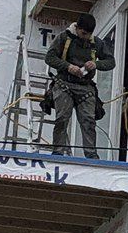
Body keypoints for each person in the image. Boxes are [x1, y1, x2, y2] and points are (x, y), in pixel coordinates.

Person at [44, 14, 114, 159]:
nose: (85, 37)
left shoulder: (96, 43)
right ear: (77, 28)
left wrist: (96, 64)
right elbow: (49, 58)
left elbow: (110, 62)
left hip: (86, 87)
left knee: (88, 121)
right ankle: (57, 152)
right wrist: (68, 66)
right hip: (64, 84)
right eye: (83, 33)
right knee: (62, 118)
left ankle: (91, 155)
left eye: (88, 34)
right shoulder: (64, 38)